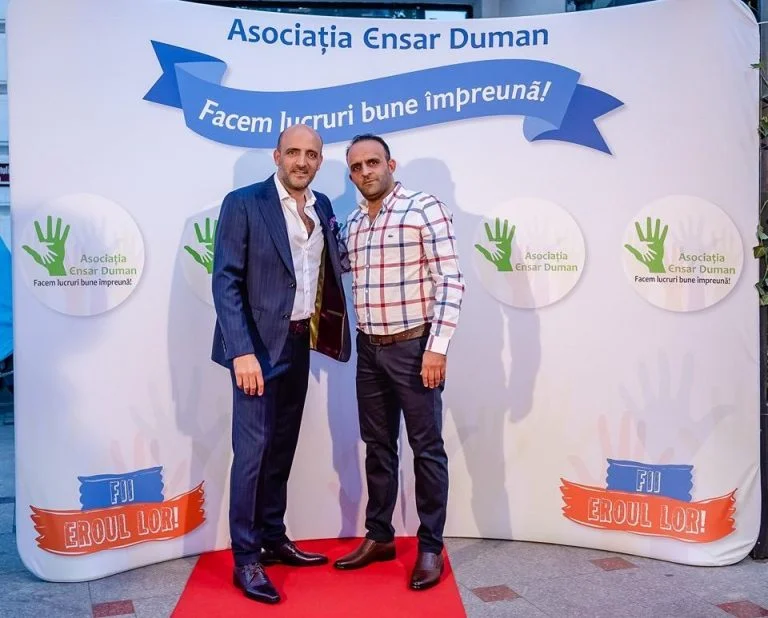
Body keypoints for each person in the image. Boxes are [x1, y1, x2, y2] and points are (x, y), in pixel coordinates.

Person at [211, 124, 351, 604]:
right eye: (293, 152)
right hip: (255, 349)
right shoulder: (244, 203)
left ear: (319, 161)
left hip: (297, 344)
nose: (302, 161)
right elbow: (226, 281)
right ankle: (246, 558)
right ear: (277, 156)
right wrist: (241, 352)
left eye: (311, 154)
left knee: (282, 446)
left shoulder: (322, 206)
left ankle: (272, 536)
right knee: (252, 453)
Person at [333, 134, 464, 591]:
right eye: (356, 167)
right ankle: (380, 536)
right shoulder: (352, 223)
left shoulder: (423, 208)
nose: (365, 172)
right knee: (378, 447)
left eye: (372, 162)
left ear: (390, 164)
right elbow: (333, 270)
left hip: (415, 348)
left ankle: (430, 547)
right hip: (368, 350)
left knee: (427, 449)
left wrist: (437, 346)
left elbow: (450, 280)